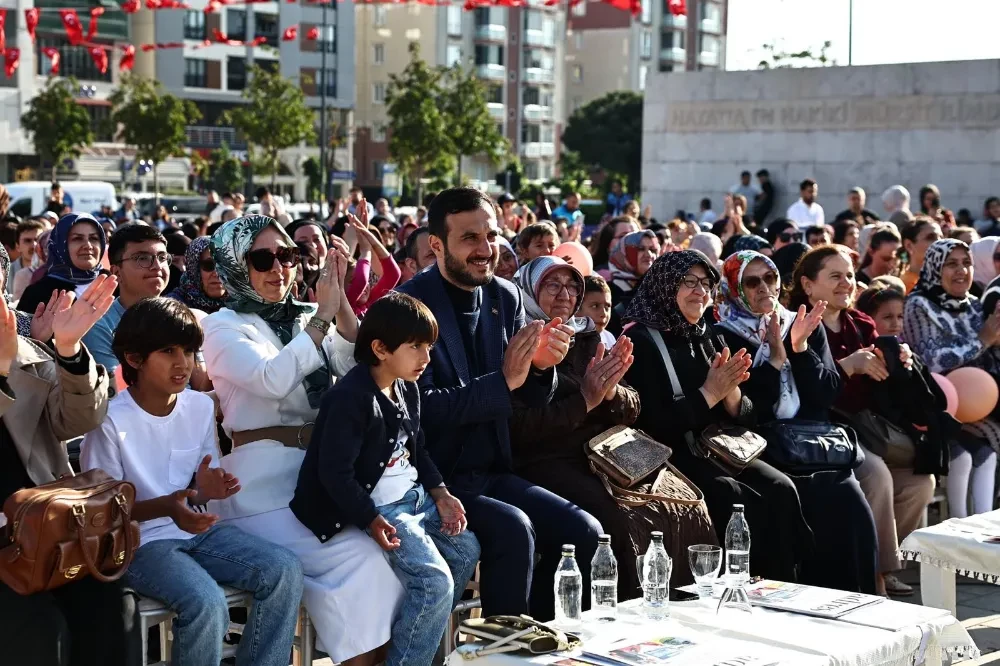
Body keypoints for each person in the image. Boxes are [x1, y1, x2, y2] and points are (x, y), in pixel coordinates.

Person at [396, 187, 603, 619]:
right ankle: (502, 652)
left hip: (493, 470)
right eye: (469, 238)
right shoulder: (407, 307)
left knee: (584, 531)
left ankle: (543, 641)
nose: (485, 249)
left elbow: (523, 398)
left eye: (490, 236)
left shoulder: (504, 297)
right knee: (514, 529)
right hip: (431, 479)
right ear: (436, 245)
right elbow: (421, 412)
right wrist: (505, 380)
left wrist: (542, 368)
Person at [201, 214, 398, 664]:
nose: (279, 268)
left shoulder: (310, 316)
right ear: (236, 266)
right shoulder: (223, 325)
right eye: (262, 258)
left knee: (387, 559)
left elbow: (358, 370)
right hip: (261, 488)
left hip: (321, 476)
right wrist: (323, 317)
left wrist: (340, 302)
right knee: (360, 561)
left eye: (287, 255)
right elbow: (271, 380)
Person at [81, 297, 305, 666]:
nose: (183, 362)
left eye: (188, 350)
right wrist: (170, 506)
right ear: (134, 359)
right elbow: (105, 512)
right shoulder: (109, 420)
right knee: (206, 601)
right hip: (137, 544)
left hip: (195, 532)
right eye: (168, 351)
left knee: (283, 569)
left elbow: (198, 489)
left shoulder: (200, 407)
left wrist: (207, 491)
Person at [509, 256, 716, 597]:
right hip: (547, 458)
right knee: (619, 522)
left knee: (686, 504)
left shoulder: (588, 337)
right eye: (552, 285)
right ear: (529, 291)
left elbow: (633, 406)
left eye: (573, 286)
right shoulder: (518, 340)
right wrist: (586, 400)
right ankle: (625, 619)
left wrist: (611, 392)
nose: (565, 294)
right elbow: (520, 425)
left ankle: (681, 609)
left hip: (608, 453)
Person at [293, 293, 480, 666]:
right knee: (434, 583)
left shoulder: (406, 386)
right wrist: (371, 518)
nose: (426, 358)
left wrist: (440, 492)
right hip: (382, 508)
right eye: (415, 347)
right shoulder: (349, 398)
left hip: (414, 499)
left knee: (466, 551)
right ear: (380, 348)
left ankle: (418, 648)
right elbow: (334, 473)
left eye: (428, 347)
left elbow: (418, 449)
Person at [623, 250, 812, 582]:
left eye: (707, 283)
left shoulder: (706, 334)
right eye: (689, 282)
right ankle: (737, 589)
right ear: (667, 285)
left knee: (781, 487)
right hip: (670, 454)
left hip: (717, 447)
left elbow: (746, 417)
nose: (700, 291)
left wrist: (732, 394)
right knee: (731, 495)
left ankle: (782, 585)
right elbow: (650, 425)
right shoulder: (640, 340)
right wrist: (710, 393)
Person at [0, 270, 144, 666]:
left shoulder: (26, 354)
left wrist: (68, 349)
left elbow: (80, 421)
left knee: (112, 604)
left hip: (44, 529)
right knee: (35, 629)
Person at [714, 251, 878, 593]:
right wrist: (773, 361)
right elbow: (750, 408)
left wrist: (800, 348)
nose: (764, 288)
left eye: (770, 279)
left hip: (808, 443)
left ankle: (858, 603)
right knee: (791, 500)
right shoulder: (723, 334)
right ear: (734, 287)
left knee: (851, 506)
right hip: (761, 444)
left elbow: (825, 395)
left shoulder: (799, 322)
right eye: (752, 281)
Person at [788, 245, 934, 596]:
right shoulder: (797, 327)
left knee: (920, 483)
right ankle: (875, 578)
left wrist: (901, 363)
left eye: (850, 275)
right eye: (835, 276)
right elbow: (806, 392)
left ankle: (883, 560)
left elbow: (884, 389)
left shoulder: (862, 324)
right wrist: (848, 366)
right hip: (825, 431)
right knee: (878, 476)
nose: (846, 283)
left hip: (869, 428)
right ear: (808, 285)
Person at [904, 239, 1000, 519]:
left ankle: (983, 529)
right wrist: (982, 340)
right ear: (935, 267)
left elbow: (983, 360)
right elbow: (932, 359)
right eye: (951, 264)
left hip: (975, 406)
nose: (962, 271)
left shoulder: (973, 304)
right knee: (966, 456)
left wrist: (993, 344)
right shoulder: (918, 304)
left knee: (987, 453)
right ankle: (955, 532)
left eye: (967, 263)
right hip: (933, 406)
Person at [81, 224, 170, 382]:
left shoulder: (181, 316)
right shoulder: (99, 325)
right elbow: (120, 390)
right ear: (116, 272)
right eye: (143, 258)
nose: (157, 266)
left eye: (162, 257)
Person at [17, 213, 108, 317]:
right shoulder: (38, 293)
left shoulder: (114, 283)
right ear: (60, 245)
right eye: (77, 238)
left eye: (94, 238)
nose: (88, 245)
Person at [166, 236, 227, 316]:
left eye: (223, 265)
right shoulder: (171, 309)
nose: (217, 274)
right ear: (194, 269)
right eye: (208, 265)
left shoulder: (241, 305)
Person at [607, 230, 658, 309]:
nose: (649, 254)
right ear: (624, 253)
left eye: (652, 249)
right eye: (641, 248)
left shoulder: (657, 289)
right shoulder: (609, 291)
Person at [900, 217, 943, 293]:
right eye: (930, 237)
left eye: (941, 237)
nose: (939, 242)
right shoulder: (905, 286)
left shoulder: (946, 280)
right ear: (909, 245)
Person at [7, 219, 44, 295]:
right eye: (27, 240)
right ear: (18, 247)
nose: (34, 245)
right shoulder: (6, 273)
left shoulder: (51, 271)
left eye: (38, 240)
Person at [582, 274, 617, 349]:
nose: (604, 313)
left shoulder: (609, 338)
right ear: (577, 308)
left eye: (607, 306)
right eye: (595, 306)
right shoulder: (568, 340)